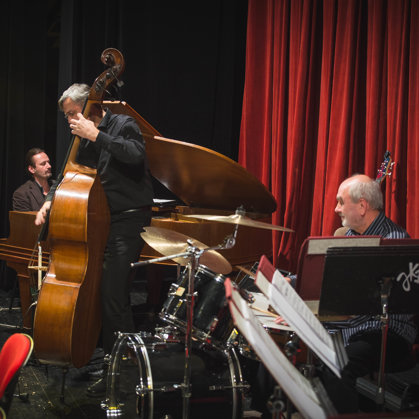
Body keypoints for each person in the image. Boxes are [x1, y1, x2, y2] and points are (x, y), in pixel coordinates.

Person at [253, 174, 417, 416]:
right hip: (349, 327)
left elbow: (361, 307)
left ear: (362, 206)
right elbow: (329, 278)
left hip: (385, 332)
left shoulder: (392, 242)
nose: (336, 209)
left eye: (341, 202)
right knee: (279, 347)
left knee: (337, 365)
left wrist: (309, 319)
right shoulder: (350, 235)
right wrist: (292, 283)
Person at [35, 83, 154, 396]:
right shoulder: (83, 136)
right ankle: (112, 358)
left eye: (73, 113)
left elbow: (135, 154)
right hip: (102, 219)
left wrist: (96, 135)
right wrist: (50, 200)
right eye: (67, 116)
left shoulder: (123, 124)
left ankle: (124, 370)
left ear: (91, 105)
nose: (70, 120)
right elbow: (68, 172)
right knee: (103, 291)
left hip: (129, 217)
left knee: (113, 293)